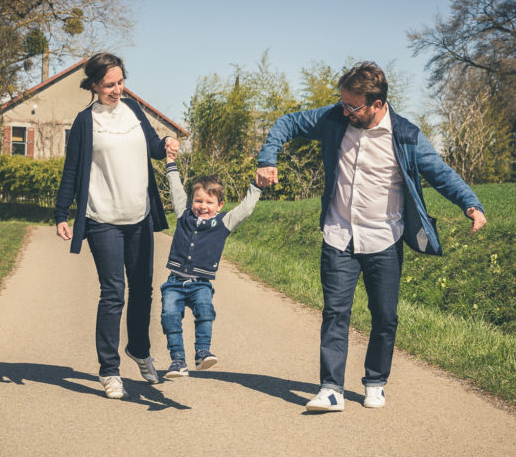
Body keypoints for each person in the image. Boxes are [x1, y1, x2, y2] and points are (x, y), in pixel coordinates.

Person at [255, 61, 487, 412]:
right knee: (335, 312)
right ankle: (331, 388)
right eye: (343, 103)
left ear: (378, 103)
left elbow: (440, 172)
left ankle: (376, 381)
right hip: (339, 235)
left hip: (385, 238)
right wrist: (268, 157)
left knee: (384, 316)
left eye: (354, 106)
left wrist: (470, 203)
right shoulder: (335, 119)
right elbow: (287, 122)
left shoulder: (405, 135)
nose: (345, 111)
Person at [54, 52, 179, 399]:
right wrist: (61, 212)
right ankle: (109, 370)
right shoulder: (85, 122)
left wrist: (165, 143)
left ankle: (139, 350)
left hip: (138, 217)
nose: (117, 90)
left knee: (143, 289)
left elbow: (154, 147)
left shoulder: (134, 111)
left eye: (121, 82)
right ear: (94, 85)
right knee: (113, 293)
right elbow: (72, 170)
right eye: (109, 84)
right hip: (102, 219)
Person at [159, 153, 261, 378]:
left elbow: (246, 209)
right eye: (198, 201)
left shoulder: (223, 222)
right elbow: (176, 189)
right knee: (169, 316)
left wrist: (256, 186)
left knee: (205, 311)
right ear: (191, 201)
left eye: (209, 202)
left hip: (200, 283)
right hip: (174, 281)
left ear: (219, 204)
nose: (202, 206)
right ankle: (177, 361)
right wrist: (170, 164)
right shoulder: (183, 215)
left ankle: (202, 352)